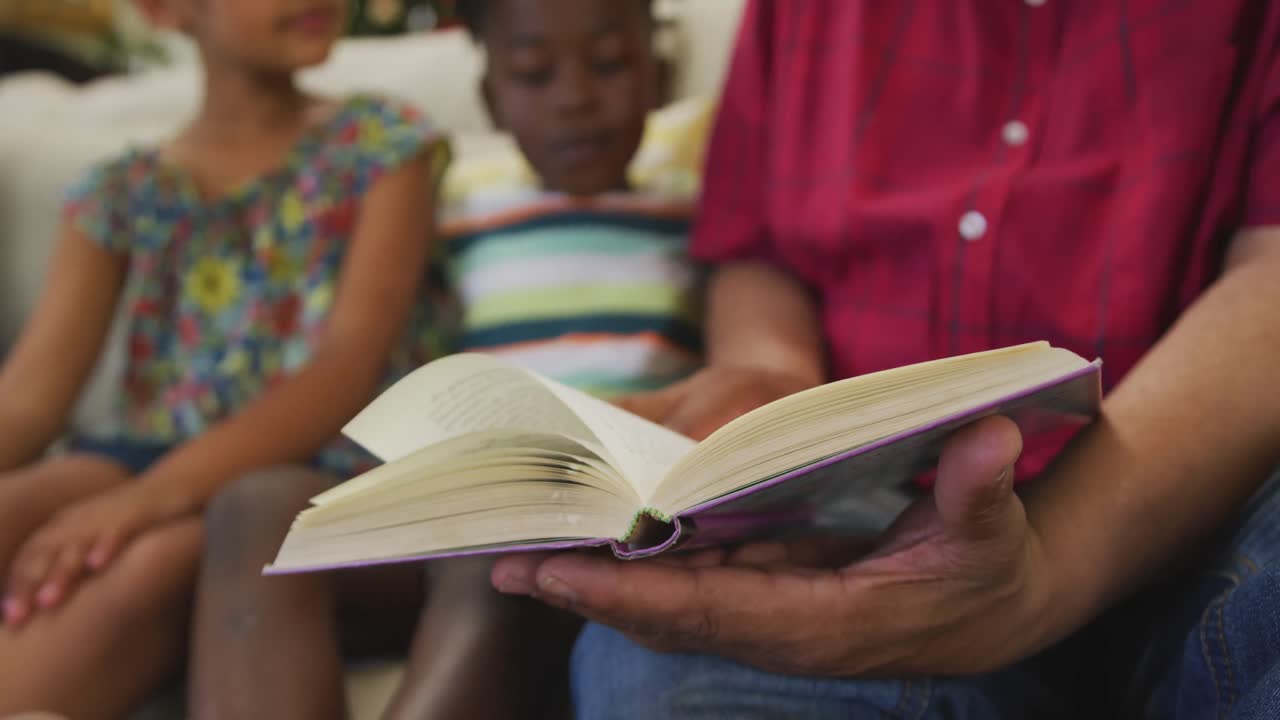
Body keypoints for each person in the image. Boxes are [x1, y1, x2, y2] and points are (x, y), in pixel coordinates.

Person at [491, 1, 1280, 717]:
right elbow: (758, 250)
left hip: (1206, 502)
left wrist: (1044, 574)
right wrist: (775, 382)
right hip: (860, 519)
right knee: (663, 669)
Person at [187, 0, 703, 718]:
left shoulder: (698, 217)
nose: (575, 97)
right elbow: (398, 351)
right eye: (533, 72)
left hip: (600, 531)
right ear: (492, 98)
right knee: (256, 503)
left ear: (661, 76)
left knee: (490, 544)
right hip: (453, 504)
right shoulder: (458, 210)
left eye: (612, 64)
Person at [0, 0, 448, 716]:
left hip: (306, 471)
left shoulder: (381, 146)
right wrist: (129, 491)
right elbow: (28, 399)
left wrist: (143, 501)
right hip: (142, 452)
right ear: (164, 9)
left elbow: (343, 370)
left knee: (157, 557)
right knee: (16, 505)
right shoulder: (119, 193)